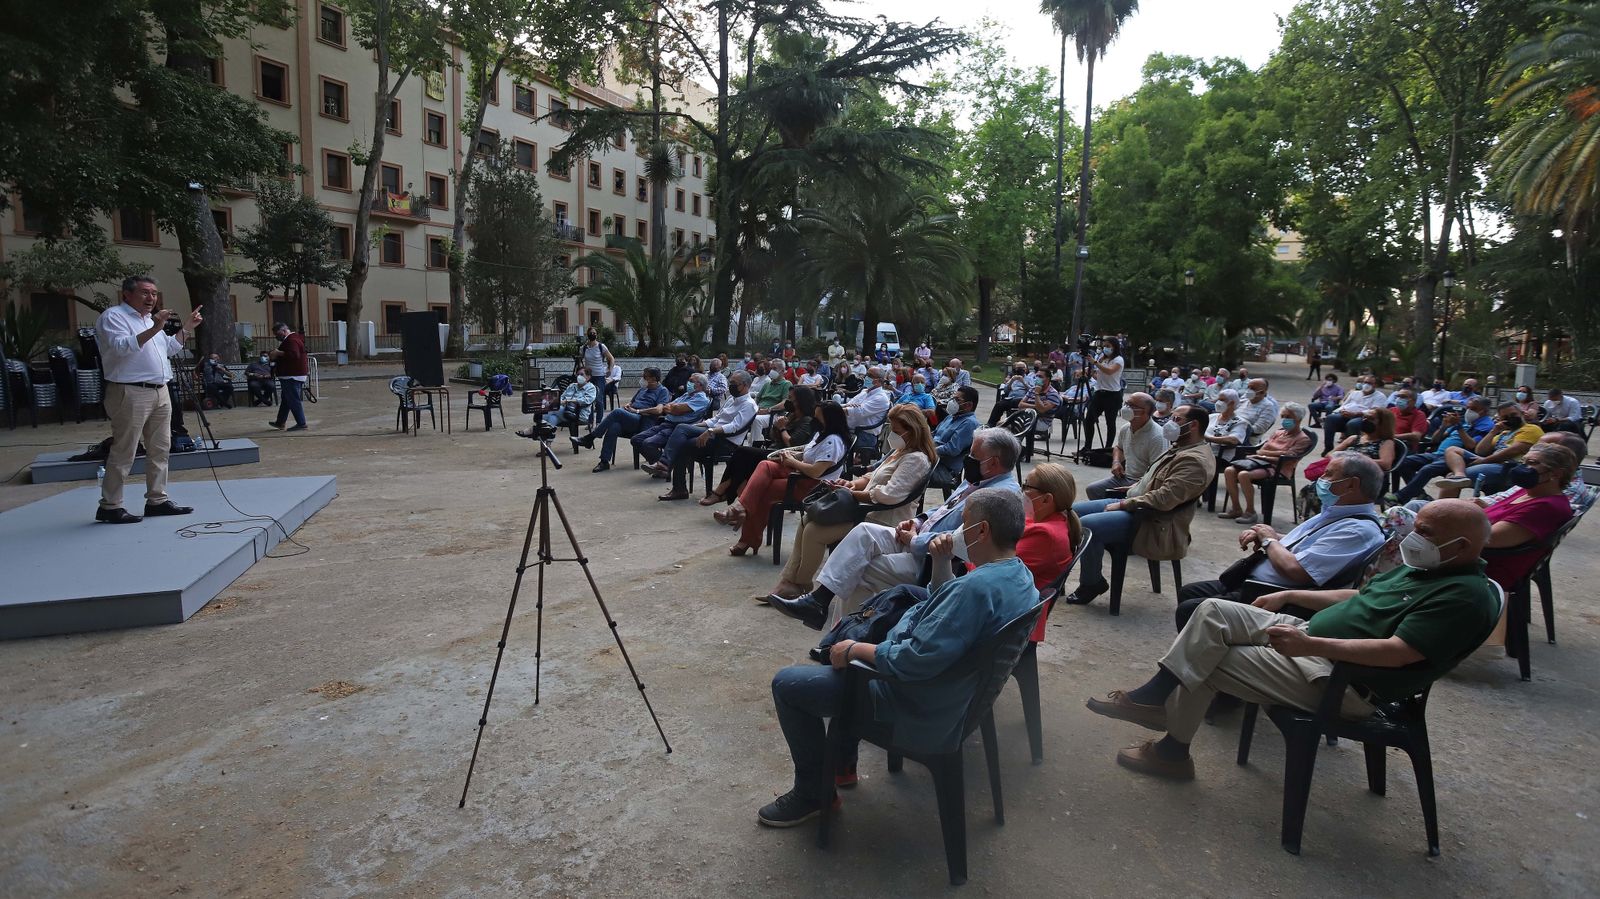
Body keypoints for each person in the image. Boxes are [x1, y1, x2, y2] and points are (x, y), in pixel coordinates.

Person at [1084, 499, 1498, 782]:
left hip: (1341, 679)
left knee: (1210, 657)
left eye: (1423, 530)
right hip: (1314, 639)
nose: (1413, 536)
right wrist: (1292, 595)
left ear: (1460, 545)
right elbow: (1361, 596)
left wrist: (1313, 646)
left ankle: (1173, 753)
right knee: (1211, 610)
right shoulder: (1426, 568)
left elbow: (1401, 653)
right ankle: (1155, 699)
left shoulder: (1463, 595)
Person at [758, 488, 1038, 827]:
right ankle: (842, 763)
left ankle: (813, 792)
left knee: (789, 684)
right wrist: (940, 563)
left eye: (963, 524)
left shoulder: (976, 588)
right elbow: (947, 613)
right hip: (955, 693)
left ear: (981, 531)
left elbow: (912, 660)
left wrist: (857, 650)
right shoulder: (1018, 575)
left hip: (914, 701)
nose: (955, 533)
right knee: (867, 634)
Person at [771, 429, 1022, 627]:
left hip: (935, 562)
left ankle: (841, 634)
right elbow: (944, 508)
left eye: (974, 457)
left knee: (859, 568)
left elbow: (961, 542)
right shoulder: (979, 480)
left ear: (993, 462)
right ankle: (819, 600)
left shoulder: (999, 497)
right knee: (864, 532)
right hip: (918, 536)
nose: (968, 460)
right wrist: (919, 520)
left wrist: (915, 540)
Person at [1177, 452, 1388, 629]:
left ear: (1351, 485)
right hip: (1254, 582)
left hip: (1274, 595)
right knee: (1189, 592)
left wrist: (1269, 541)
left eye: (1329, 474)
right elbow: (1305, 543)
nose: (1320, 479)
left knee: (1191, 608)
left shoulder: (1357, 530)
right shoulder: (1337, 511)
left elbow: (1297, 571)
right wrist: (1269, 535)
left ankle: (1198, 667)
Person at [765, 406, 937, 600]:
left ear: (912, 431)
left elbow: (889, 494)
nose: (892, 436)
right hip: (865, 510)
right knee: (808, 519)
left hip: (881, 519)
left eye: (896, 432)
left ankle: (801, 584)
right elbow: (872, 477)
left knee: (815, 532)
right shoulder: (900, 451)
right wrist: (851, 483)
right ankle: (790, 581)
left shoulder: (916, 460)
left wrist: (852, 494)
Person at [1064, 405, 1213, 607]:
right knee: (1070, 513)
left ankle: (1091, 583)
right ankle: (1059, 574)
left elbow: (1165, 499)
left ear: (1193, 425)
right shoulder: (1181, 447)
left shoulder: (1195, 460)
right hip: (1135, 503)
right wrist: (1133, 488)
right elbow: (1154, 479)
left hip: (1151, 518)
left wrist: (1125, 503)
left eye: (1176, 419)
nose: (1170, 424)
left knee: (1088, 524)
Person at [91, 277, 202, 524]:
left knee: (161, 448)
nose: (151, 298)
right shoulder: (114, 317)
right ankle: (110, 505)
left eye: (154, 293)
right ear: (127, 295)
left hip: (159, 390)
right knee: (125, 449)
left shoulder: (149, 321)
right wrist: (155, 327)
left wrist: (187, 327)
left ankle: (157, 500)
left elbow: (170, 349)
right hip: (130, 391)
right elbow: (121, 348)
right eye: (145, 293)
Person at [723, 401, 852, 556]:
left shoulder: (833, 441)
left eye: (818, 417)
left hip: (812, 486)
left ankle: (747, 534)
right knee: (765, 464)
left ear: (830, 419)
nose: (814, 420)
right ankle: (740, 508)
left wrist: (792, 462)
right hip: (799, 474)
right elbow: (807, 453)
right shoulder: (822, 433)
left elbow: (816, 472)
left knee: (763, 491)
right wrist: (790, 456)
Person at [703, 387, 819, 506]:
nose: (788, 401)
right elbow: (773, 437)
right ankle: (739, 504)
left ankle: (723, 492)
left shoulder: (807, 421)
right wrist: (776, 427)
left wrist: (782, 428)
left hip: (784, 456)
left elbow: (792, 444)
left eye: (791, 398)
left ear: (800, 401)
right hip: (773, 450)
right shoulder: (791, 415)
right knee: (743, 463)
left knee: (742, 452)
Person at [652, 371, 758, 499]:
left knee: (682, 440)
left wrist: (710, 431)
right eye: (730, 383)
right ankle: (671, 476)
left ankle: (668, 471)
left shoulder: (749, 404)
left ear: (745, 385)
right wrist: (695, 427)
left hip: (726, 442)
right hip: (713, 434)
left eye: (734, 383)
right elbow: (715, 419)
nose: (730, 386)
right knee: (682, 434)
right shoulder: (731, 399)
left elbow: (734, 427)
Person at [1217, 403, 1315, 523]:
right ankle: (1236, 508)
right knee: (1229, 471)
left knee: (1244, 475)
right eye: (1283, 416)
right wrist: (1266, 454)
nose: (1285, 420)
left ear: (1298, 419)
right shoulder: (1279, 432)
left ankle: (1250, 511)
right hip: (1258, 461)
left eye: (1288, 417)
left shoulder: (1303, 439)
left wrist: (1265, 454)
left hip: (1278, 467)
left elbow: (1289, 456)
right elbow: (1262, 448)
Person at [1390, 397, 1496, 503]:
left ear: (1484, 411)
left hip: (1456, 459)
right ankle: (1420, 494)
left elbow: (1472, 446)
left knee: (1427, 469)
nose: (1469, 411)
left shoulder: (1486, 425)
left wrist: (1458, 427)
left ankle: (1401, 497)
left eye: (1473, 408)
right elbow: (1435, 439)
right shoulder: (1466, 422)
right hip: (1437, 454)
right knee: (1404, 462)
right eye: (1468, 407)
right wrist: (1444, 426)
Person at [1428, 403, 1544, 497]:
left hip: (1507, 466)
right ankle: (1460, 475)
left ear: (1522, 413)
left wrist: (1484, 461)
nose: (1510, 419)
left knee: (1451, 481)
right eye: (1505, 417)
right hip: (1491, 461)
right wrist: (1494, 431)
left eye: (1513, 415)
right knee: (1452, 450)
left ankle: (1443, 511)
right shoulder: (1503, 433)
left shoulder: (1531, 429)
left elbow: (1513, 451)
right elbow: (1480, 451)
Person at [572, 367, 672, 471]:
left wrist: (638, 411)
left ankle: (590, 437)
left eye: (645, 376)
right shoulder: (643, 389)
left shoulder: (662, 391)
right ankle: (604, 461)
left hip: (643, 420)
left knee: (617, 412)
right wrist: (628, 406)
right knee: (614, 427)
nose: (642, 378)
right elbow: (632, 402)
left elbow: (659, 410)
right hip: (631, 416)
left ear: (653, 378)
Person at [1088, 392, 1170, 500]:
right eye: (1126, 404)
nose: (1126, 408)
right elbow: (1119, 448)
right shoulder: (1126, 428)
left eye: (1131, 406)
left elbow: (1158, 472)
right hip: (1124, 477)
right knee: (1092, 490)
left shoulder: (1157, 436)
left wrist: (1136, 487)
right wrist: (1116, 462)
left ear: (1144, 411)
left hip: (1143, 482)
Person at [629, 374, 713, 465]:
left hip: (677, 428)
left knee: (648, 443)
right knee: (636, 439)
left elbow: (676, 409)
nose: (688, 383)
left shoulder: (701, 399)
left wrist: (674, 409)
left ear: (700, 385)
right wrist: (674, 409)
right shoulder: (686, 395)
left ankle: (663, 466)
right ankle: (660, 465)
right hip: (666, 423)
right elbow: (666, 407)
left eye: (691, 381)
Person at [927, 386, 979, 489]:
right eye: (953, 398)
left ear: (968, 405)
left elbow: (951, 449)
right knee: (898, 456)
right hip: (931, 459)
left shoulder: (969, 423)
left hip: (943, 469)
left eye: (957, 400)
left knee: (908, 470)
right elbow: (934, 434)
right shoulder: (950, 417)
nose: (952, 402)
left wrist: (927, 450)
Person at [1320, 374, 1385, 453]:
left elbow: (1374, 412)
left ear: (1375, 385)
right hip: (1347, 414)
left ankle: (1350, 449)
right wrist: (1342, 411)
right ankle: (1328, 448)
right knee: (1330, 418)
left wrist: (1355, 414)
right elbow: (1344, 405)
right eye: (1365, 382)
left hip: (1364, 418)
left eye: (1370, 383)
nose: (1366, 385)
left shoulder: (1380, 396)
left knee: (1352, 423)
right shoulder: (1355, 393)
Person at [1083, 337, 1125, 451]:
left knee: (1110, 422)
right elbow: (1100, 375)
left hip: (1112, 394)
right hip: (1099, 392)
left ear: (1114, 347)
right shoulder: (1103, 358)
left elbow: (1109, 371)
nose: (1105, 348)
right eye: (1104, 346)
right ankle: (1087, 446)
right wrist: (1091, 372)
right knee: (1089, 420)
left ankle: (1107, 448)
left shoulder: (1118, 360)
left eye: (1108, 346)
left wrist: (1095, 362)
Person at [266, 321, 308, 432]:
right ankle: (280, 422)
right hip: (293, 375)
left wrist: (278, 353)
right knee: (286, 399)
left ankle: (301, 423)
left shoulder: (291, 340)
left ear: (284, 331)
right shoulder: (293, 339)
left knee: (293, 400)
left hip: (292, 376)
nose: (276, 336)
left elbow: (294, 355)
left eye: (277, 333)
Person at [531, 372, 597, 435]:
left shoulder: (591, 388)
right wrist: (561, 401)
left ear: (588, 377)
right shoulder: (572, 386)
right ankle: (547, 444)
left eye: (582, 374)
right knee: (552, 418)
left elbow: (587, 400)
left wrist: (568, 401)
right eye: (578, 374)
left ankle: (534, 429)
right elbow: (562, 397)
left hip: (578, 414)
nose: (579, 376)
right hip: (564, 411)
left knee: (552, 409)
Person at [1017, 376, 1063, 462]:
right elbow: (1020, 404)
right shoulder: (1032, 389)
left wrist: (1037, 394)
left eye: (1041, 377)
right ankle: (1018, 449)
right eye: (1037, 376)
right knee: (1002, 424)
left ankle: (1019, 451)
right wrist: (1035, 406)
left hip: (1042, 422)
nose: (1038, 379)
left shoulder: (1052, 394)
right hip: (1028, 418)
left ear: (1047, 379)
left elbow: (1042, 410)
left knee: (1018, 426)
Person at [1202, 389, 1250, 467]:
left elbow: (1233, 440)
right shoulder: (1211, 417)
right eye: (1218, 400)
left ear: (1231, 403)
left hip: (1220, 456)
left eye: (1222, 400)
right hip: (1204, 452)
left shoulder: (1240, 422)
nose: (1218, 403)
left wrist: (1209, 438)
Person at [749, 360, 794, 439]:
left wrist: (768, 410)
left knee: (756, 420)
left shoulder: (787, 384)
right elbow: (758, 398)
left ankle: (753, 446)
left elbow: (784, 403)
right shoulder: (767, 384)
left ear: (782, 371)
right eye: (771, 368)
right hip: (759, 411)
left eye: (774, 368)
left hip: (775, 414)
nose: (771, 371)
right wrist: (755, 408)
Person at [989, 362, 1033, 426]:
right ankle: (991, 424)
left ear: (1025, 369)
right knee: (999, 405)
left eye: (1021, 368)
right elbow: (1005, 390)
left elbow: (1032, 391)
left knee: (1009, 402)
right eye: (1018, 368)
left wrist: (1023, 382)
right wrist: (1011, 381)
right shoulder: (1013, 378)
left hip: (1022, 400)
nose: (1019, 369)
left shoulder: (1030, 379)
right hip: (1010, 399)